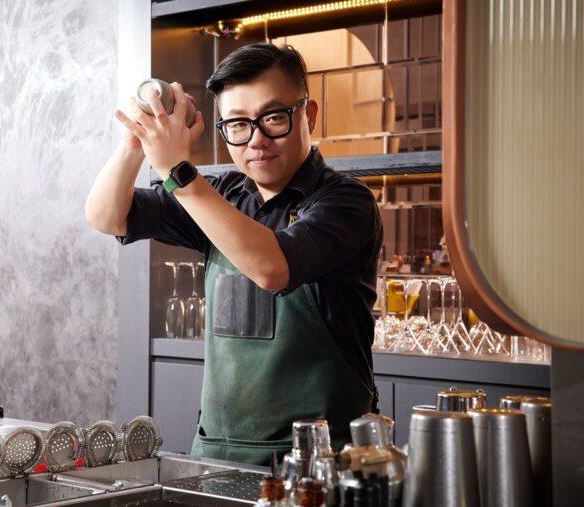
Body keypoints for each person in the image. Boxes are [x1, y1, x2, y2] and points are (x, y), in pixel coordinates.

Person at [86, 43, 382, 466]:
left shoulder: (345, 202)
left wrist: (177, 171)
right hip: (216, 454)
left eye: (274, 118)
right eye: (238, 124)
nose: (256, 139)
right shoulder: (221, 195)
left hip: (317, 465)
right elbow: (106, 215)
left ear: (309, 115)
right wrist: (138, 139)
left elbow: (272, 268)